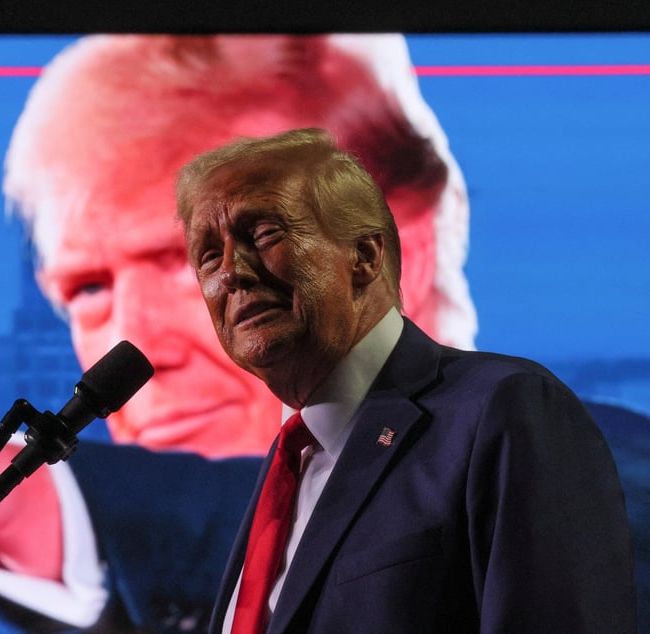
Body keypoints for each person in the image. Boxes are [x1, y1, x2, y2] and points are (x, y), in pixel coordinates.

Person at [0, 35, 645, 632]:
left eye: (257, 239)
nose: (140, 335)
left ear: (382, 250)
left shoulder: (512, 411)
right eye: (89, 287)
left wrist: (21, 502)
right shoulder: (284, 478)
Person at [175, 127, 636, 632]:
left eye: (263, 235)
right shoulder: (289, 464)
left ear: (366, 256)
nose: (232, 273)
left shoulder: (502, 410)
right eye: (209, 256)